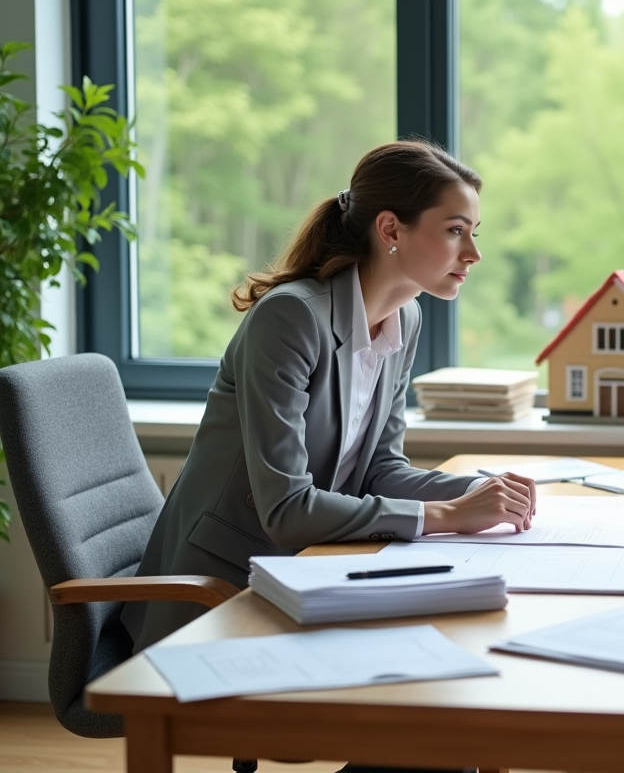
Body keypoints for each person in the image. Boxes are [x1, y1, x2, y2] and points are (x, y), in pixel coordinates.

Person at [123, 139, 536, 656]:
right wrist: (450, 514)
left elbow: (380, 471)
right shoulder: (291, 317)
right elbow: (288, 509)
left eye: (473, 233)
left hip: (308, 571)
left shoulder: (404, 318)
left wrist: (487, 492)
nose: (473, 253)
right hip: (223, 595)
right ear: (390, 229)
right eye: (455, 231)